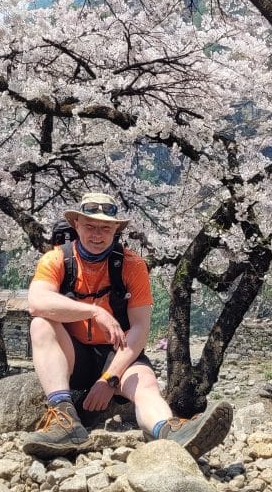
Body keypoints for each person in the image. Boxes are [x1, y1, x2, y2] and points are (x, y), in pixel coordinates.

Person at [24, 192, 232, 458]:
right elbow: (36, 302)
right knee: (41, 324)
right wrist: (93, 312)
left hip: (117, 352)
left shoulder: (131, 265)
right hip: (71, 355)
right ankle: (64, 419)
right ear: (76, 225)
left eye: (105, 228)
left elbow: (140, 329)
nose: (97, 234)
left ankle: (170, 431)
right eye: (89, 226)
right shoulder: (56, 260)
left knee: (144, 382)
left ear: (116, 230)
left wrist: (109, 378)